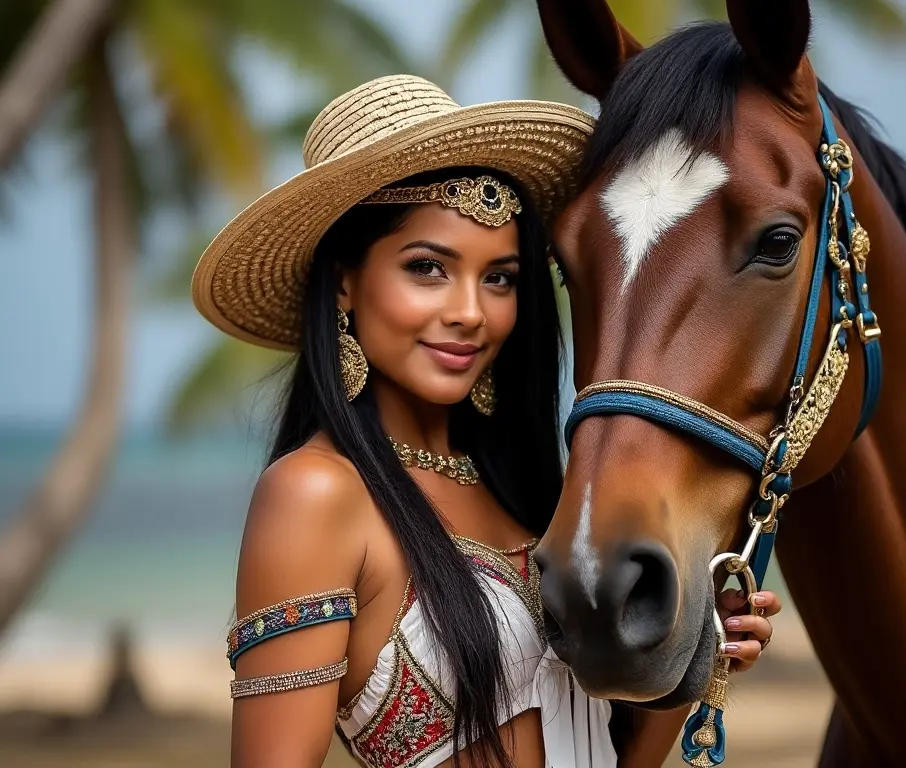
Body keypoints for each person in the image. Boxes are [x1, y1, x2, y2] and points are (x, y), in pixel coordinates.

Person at [192, 75, 781, 768]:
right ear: (345, 282)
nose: (472, 311)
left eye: (498, 278)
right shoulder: (316, 495)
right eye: (428, 268)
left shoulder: (534, 492)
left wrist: (692, 650)